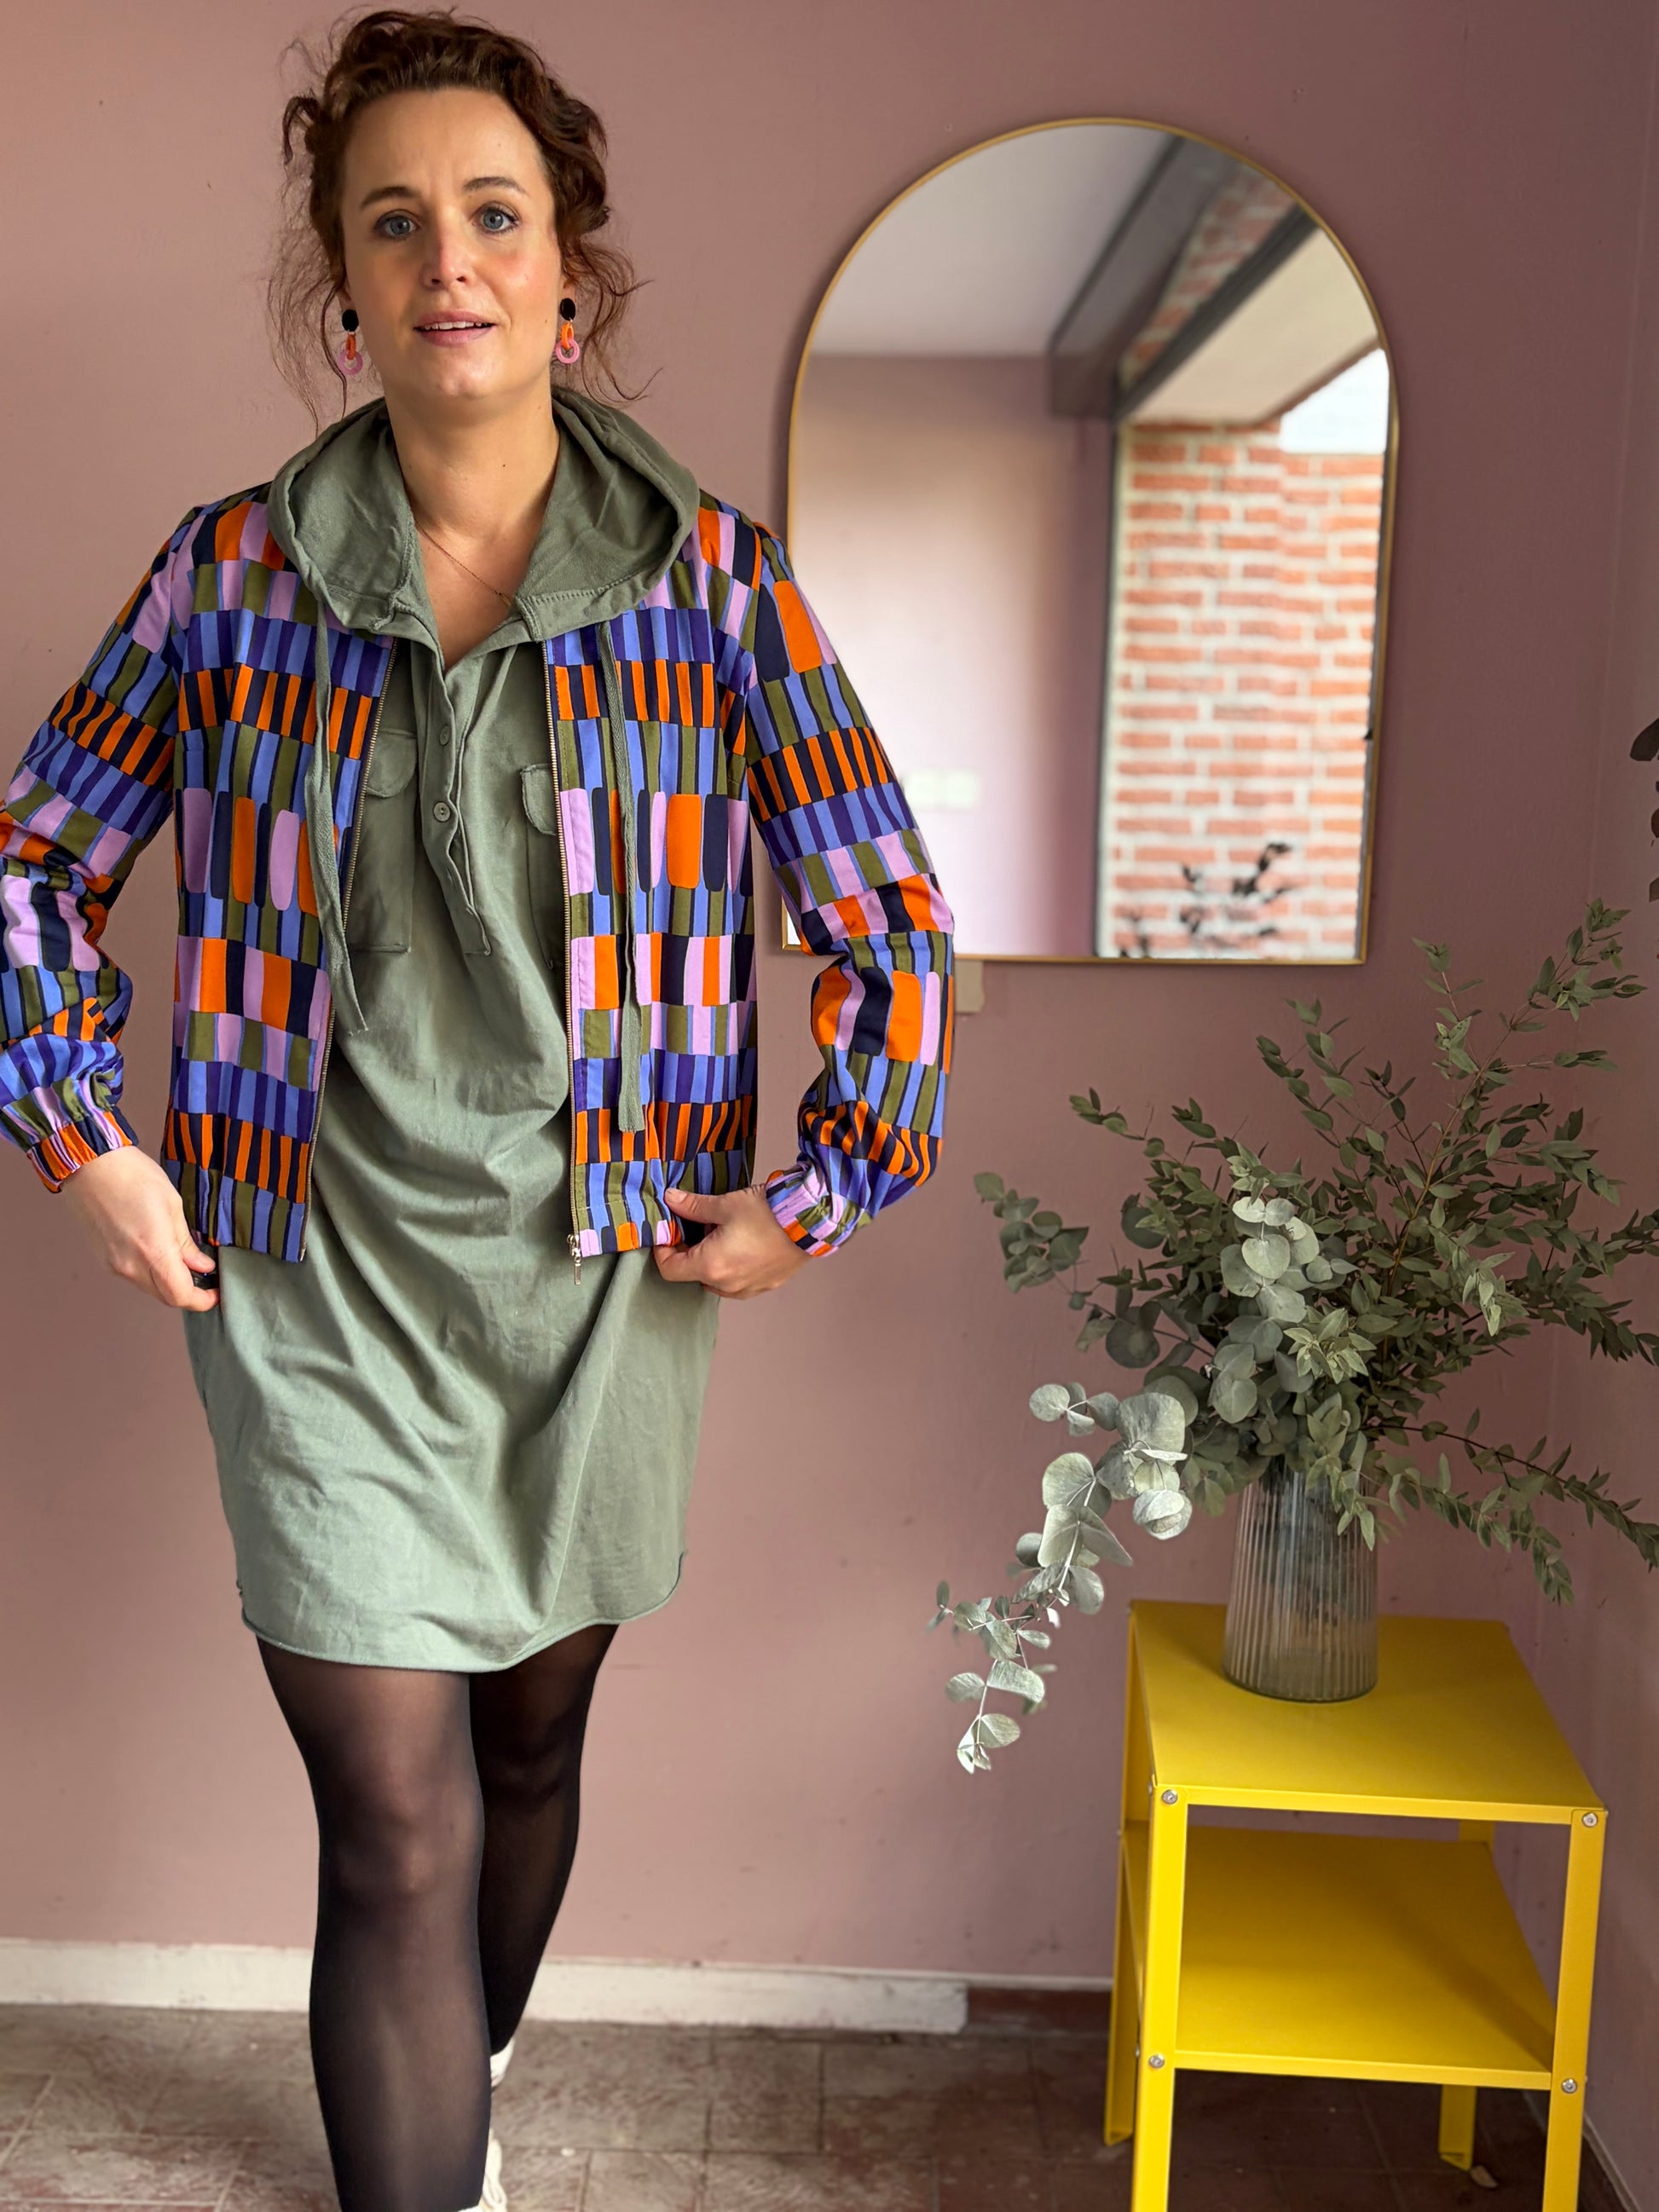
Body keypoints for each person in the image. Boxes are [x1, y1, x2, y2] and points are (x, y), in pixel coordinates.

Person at [0, 11, 955, 2209]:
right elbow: (33, 863)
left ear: (569, 275)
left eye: (495, 214)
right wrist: (79, 1138)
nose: (451, 259)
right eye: (395, 221)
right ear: (343, 287)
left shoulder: (717, 583)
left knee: (526, 1752)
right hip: (312, 1276)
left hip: (597, 1277)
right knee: (394, 1820)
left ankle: (472, 2056)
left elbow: (888, 915)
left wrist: (821, 1190)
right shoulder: (228, 574)